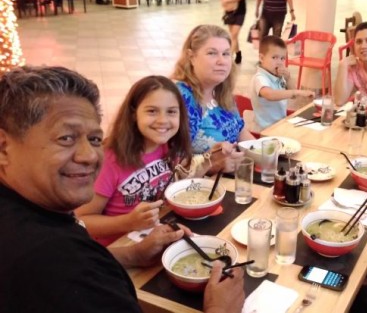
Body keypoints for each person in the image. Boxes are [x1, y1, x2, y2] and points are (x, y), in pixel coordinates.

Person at [0, 66, 244, 313]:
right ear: (3, 148)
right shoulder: (54, 262)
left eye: (95, 139)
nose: (89, 156)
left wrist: (133, 255)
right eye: (65, 138)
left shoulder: (37, 222)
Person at [74, 76, 195, 246]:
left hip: (159, 233)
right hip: (118, 248)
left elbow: (181, 181)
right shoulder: (109, 159)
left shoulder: (170, 146)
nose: (163, 120)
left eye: (171, 111)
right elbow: (81, 221)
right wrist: (129, 222)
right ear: (133, 114)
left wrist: (208, 163)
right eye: (152, 111)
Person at [172, 24, 254, 169]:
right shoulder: (182, 99)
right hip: (199, 187)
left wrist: (265, 154)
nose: (221, 61)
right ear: (191, 57)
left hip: (230, 177)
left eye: (226, 53)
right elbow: (173, 164)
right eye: (212, 53)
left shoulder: (221, 90)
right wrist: (213, 164)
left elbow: (240, 131)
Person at [250, 35, 314, 131]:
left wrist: (288, 79)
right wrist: (296, 92)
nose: (279, 62)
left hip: (279, 125)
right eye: (274, 57)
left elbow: (294, 96)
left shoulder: (278, 75)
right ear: (262, 58)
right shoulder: (260, 78)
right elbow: (270, 94)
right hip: (265, 130)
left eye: (282, 58)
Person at [220, 0, 252, 64]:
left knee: (233, 35)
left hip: (240, 11)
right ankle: (238, 53)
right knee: (234, 36)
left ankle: (227, 60)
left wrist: (226, 0)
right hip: (229, 10)